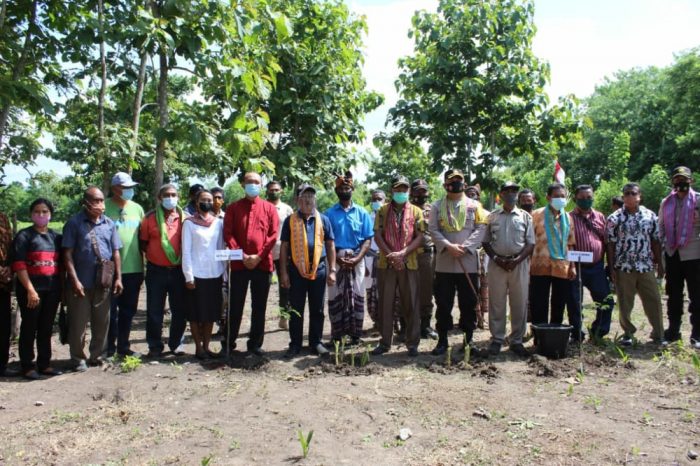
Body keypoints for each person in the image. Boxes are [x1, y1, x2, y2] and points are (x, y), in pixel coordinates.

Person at [62, 187, 123, 372]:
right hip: (81, 283)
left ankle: (98, 355)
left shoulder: (109, 224)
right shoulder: (74, 223)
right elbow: (67, 254)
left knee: (102, 322)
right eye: (96, 201)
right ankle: (78, 358)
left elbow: (116, 252)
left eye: (102, 201)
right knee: (78, 323)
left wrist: (118, 278)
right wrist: (74, 280)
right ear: (86, 203)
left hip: (103, 281)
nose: (100, 205)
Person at [428, 169, 488, 355]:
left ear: (464, 182)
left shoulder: (474, 205)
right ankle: (443, 341)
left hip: (467, 262)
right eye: (451, 180)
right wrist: (448, 246)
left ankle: (468, 341)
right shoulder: (437, 206)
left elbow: (481, 228)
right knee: (443, 304)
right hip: (445, 263)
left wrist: (465, 247)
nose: (455, 183)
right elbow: (433, 229)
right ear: (445, 184)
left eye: (459, 180)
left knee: (468, 303)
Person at [279, 184, 336, 358]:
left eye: (311, 196)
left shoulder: (323, 219)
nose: (308, 200)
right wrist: (283, 272)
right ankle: (295, 344)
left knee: (317, 309)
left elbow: (330, 245)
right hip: (296, 271)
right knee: (296, 308)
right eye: (305, 197)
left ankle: (316, 342)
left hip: (318, 270)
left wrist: (332, 269)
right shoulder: (290, 221)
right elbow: (284, 248)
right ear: (298, 200)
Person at [224, 172, 278, 356]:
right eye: (249, 182)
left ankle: (255, 343)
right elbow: (228, 234)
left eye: (256, 182)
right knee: (235, 304)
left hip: (262, 265)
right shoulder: (233, 208)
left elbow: (272, 235)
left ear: (261, 185)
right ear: (242, 184)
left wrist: (258, 256)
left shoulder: (270, 208)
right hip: (240, 265)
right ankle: (229, 342)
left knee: (259, 306)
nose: (253, 185)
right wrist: (242, 255)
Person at [606, 182, 666, 346]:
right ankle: (627, 333)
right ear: (623, 197)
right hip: (624, 267)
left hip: (645, 266)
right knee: (625, 302)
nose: (630, 196)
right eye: (627, 194)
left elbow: (655, 240)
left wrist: (660, 263)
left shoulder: (650, 216)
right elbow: (610, 244)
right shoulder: (615, 218)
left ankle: (659, 334)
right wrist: (611, 267)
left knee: (653, 299)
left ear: (639, 196)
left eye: (633, 193)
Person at [371, 176, 425, 357]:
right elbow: (377, 235)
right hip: (386, 263)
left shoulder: (416, 211)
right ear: (392, 191)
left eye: (404, 189)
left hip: (409, 262)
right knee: (385, 304)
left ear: (408, 191)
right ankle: (385, 342)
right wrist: (391, 255)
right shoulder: (382, 211)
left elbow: (420, 236)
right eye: (397, 189)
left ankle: (412, 343)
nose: (401, 193)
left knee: (411, 303)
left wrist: (402, 254)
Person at [482, 182, 535, 357]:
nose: (511, 194)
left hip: (519, 265)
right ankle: (497, 339)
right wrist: (497, 258)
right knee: (497, 303)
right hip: (497, 265)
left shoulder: (525, 217)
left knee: (519, 303)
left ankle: (516, 341)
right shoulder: (492, 216)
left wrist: (518, 260)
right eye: (508, 191)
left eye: (514, 191)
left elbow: (530, 243)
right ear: (501, 194)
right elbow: (485, 241)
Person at [12, 198, 63, 379]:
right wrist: (30, 290)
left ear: (50, 214)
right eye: (37, 212)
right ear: (31, 214)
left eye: (44, 212)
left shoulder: (56, 238)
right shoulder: (24, 236)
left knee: (46, 327)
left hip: (52, 289)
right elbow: (19, 265)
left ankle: (45, 364)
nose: (41, 215)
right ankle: (27, 365)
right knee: (29, 326)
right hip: (31, 290)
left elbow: (61, 265)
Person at [325, 171, 373, 345]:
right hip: (335, 259)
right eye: (341, 188)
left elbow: (368, 238)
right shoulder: (329, 214)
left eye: (347, 187)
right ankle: (336, 335)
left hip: (356, 258)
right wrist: (337, 259)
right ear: (336, 191)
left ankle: (355, 335)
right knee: (335, 295)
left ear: (352, 189)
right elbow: (326, 240)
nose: (344, 190)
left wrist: (358, 258)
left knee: (357, 294)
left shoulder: (362, 212)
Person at [139, 184, 188, 358]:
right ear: (159, 198)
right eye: (166, 195)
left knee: (180, 310)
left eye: (173, 194)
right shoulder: (149, 218)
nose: (170, 198)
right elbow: (143, 243)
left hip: (179, 271)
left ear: (178, 197)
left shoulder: (185, 219)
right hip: (156, 271)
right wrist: (156, 256)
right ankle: (154, 346)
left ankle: (176, 344)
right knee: (154, 310)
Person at [658, 166, 700, 348]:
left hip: (694, 254)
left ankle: (697, 334)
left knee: (697, 296)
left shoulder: (698, 200)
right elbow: (660, 226)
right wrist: (661, 250)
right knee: (673, 295)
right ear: (672, 182)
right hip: (672, 253)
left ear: (691, 181)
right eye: (677, 179)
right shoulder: (666, 202)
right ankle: (673, 331)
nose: (680, 182)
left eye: (684, 179)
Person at [105, 172, 144, 358]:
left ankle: (124, 346)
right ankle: (109, 347)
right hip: (109, 270)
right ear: (115, 189)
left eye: (131, 187)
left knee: (128, 311)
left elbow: (143, 238)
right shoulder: (103, 207)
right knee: (110, 312)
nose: (129, 191)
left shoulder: (137, 209)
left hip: (134, 268)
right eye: (125, 188)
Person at [182, 190, 225, 359]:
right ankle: (198, 348)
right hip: (196, 274)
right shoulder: (189, 223)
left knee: (210, 314)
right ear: (196, 202)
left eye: (209, 199)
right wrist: (188, 276)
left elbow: (221, 247)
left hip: (214, 274)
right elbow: (186, 251)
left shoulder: (218, 223)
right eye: (203, 199)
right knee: (195, 313)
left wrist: (224, 273)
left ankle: (207, 347)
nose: (207, 202)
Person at [529, 183, 577, 334]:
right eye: (556, 196)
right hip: (538, 265)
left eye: (562, 196)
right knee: (539, 303)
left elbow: (570, 243)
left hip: (561, 267)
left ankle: (555, 335)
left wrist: (573, 266)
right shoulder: (536, 215)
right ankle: (539, 336)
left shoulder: (567, 217)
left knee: (559, 303)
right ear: (548, 197)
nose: (560, 199)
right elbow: (528, 241)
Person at [568, 185, 614, 340]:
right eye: (581, 198)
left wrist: (609, 265)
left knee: (606, 301)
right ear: (575, 199)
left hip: (596, 267)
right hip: (575, 267)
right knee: (575, 303)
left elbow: (606, 242)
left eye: (588, 197)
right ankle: (576, 334)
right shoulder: (568, 218)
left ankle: (598, 331)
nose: (585, 200)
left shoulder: (600, 217)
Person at [411, 179, 438, 339]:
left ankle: (425, 326)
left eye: (424, 190)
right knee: (407, 291)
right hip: (409, 254)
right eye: (418, 190)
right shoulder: (406, 209)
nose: (421, 194)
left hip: (427, 255)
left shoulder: (433, 209)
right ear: (412, 192)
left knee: (427, 292)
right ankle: (407, 326)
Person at [266, 180, 294, 330]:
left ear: (281, 191)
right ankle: (258, 322)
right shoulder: (263, 207)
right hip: (265, 254)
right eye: (271, 190)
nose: (273, 192)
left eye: (276, 189)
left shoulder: (287, 209)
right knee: (263, 287)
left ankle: (284, 317)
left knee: (285, 287)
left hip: (283, 253)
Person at [365, 189, 386, 329]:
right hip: (370, 259)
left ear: (385, 200)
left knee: (387, 291)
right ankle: (376, 321)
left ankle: (391, 321)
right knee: (371, 292)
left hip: (386, 259)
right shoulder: (367, 218)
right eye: (374, 199)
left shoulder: (388, 217)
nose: (376, 202)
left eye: (379, 199)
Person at [0, 206, 14, 377]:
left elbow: (10, 247)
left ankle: (2, 366)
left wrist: (9, 268)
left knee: (3, 326)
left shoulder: (3, 218)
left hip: (4, 283)